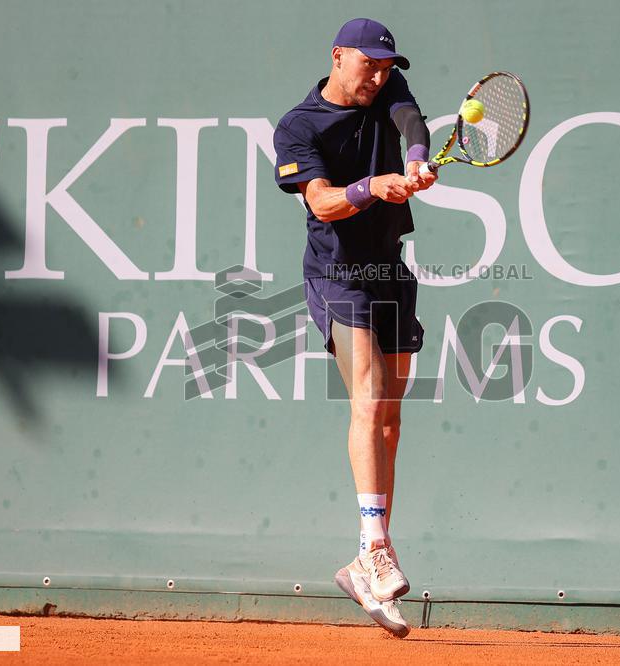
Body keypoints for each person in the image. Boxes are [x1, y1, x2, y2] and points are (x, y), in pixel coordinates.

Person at [273, 18, 436, 638]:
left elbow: (411, 125)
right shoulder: (299, 127)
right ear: (337, 57)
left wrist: (417, 162)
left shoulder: (385, 88)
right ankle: (373, 546)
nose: (378, 75)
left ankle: (365, 558)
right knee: (367, 402)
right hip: (339, 274)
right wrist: (374, 186)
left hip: (389, 268)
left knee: (391, 418)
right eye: (367, 63)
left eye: (386, 66)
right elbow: (322, 202)